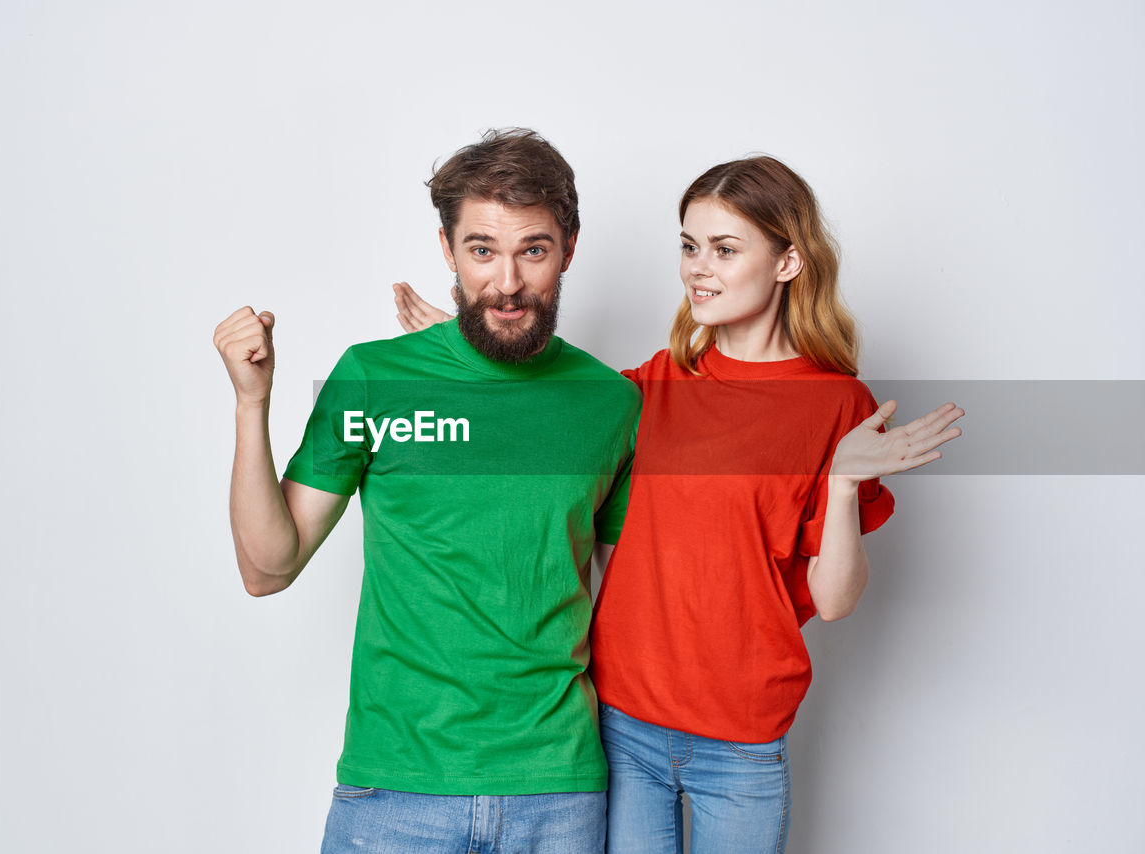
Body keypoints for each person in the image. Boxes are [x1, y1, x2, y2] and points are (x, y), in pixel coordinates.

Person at [393, 155, 963, 853]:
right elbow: (550, 407)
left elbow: (835, 600)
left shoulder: (837, 405)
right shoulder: (651, 387)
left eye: (725, 250)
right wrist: (468, 356)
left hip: (744, 741)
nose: (699, 268)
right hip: (621, 724)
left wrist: (842, 484)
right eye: (690, 247)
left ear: (788, 262)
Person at [213, 128, 638, 853]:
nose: (506, 282)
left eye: (532, 250)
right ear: (447, 250)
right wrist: (253, 404)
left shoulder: (611, 404)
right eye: (481, 251)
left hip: (558, 792)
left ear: (568, 247)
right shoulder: (376, 379)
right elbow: (266, 568)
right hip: (395, 794)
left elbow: (631, 604)